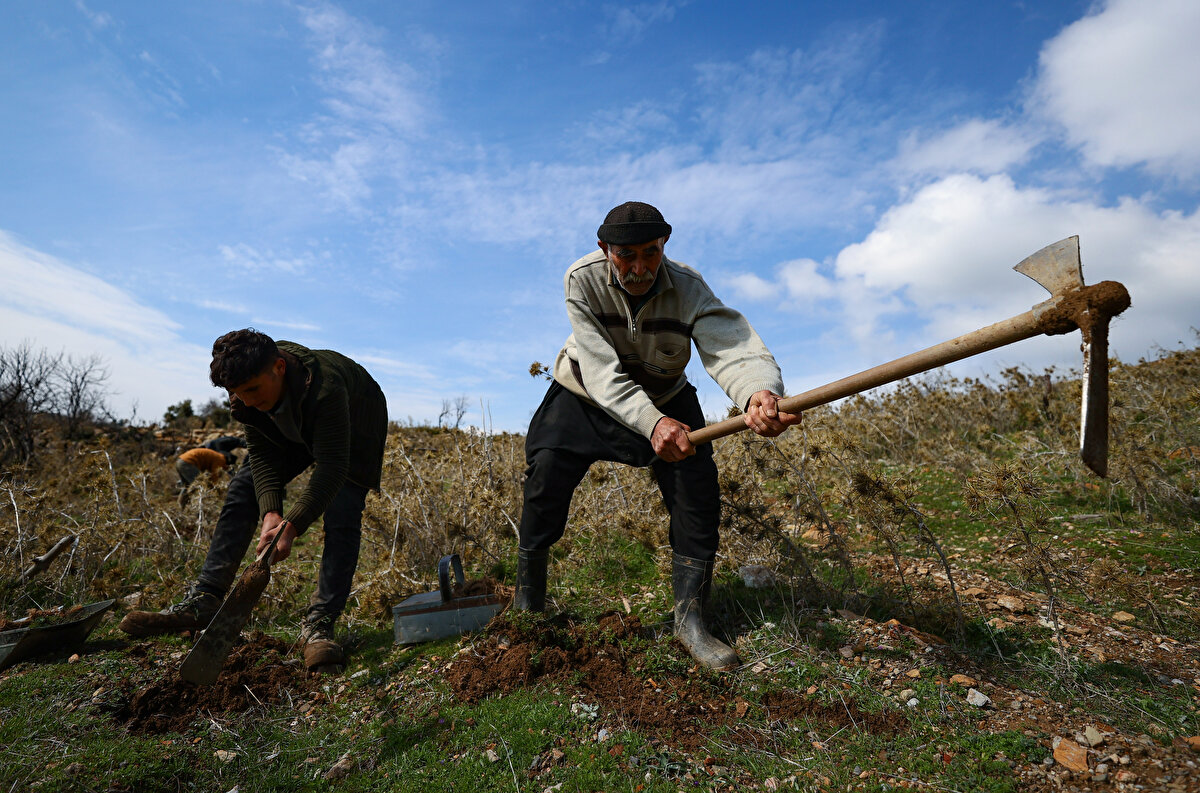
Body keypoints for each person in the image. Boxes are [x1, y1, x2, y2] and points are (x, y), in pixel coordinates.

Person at [514, 201, 801, 671]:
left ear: (664, 245)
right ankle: (527, 608)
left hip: (666, 393)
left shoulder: (687, 286)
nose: (640, 268)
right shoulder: (581, 279)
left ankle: (691, 622)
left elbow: (732, 346)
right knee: (544, 475)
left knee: (697, 490)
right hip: (584, 394)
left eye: (651, 252)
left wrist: (757, 393)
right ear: (605, 249)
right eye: (626, 255)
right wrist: (652, 424)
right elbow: (602, 373)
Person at [121, 330, 389, 673]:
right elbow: (262, 457)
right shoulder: (246, 395)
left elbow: (332, 467)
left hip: (357, 420)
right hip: (291, 424)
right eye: (236, 393)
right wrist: (271, 512)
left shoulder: (326, 389)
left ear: (279, 368)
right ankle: (204, 599)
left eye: (251, 390)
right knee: (243, 485)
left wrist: (292, 526)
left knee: (342, 510)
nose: (245, 401)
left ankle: (319, 624)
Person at [174, 436, 246, 507]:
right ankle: (200, 507)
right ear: (228, 463)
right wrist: (215, 490)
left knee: (187, 486)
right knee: (200, 486)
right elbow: (214, 476)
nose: (227, 469)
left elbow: (210, 473)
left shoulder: (216, 456)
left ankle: (180, 506)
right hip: (188, 462)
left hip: (181, 461)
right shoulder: (221, 459)